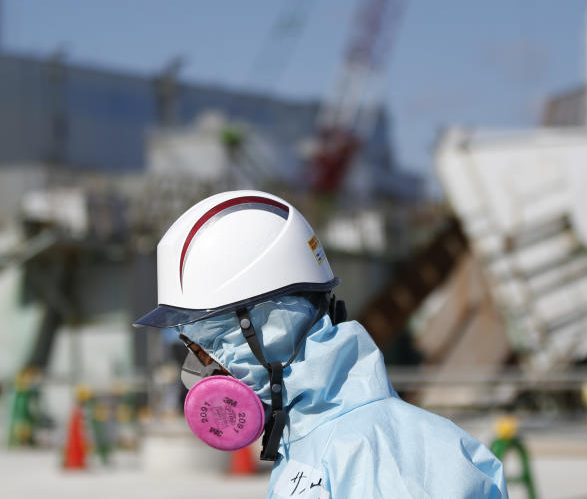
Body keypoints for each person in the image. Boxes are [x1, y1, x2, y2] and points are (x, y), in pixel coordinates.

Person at [134, 190, 508, 498]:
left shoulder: (387, 462)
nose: (199, 371)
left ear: (271, 329)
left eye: (206, 346)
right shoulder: (311, 442)